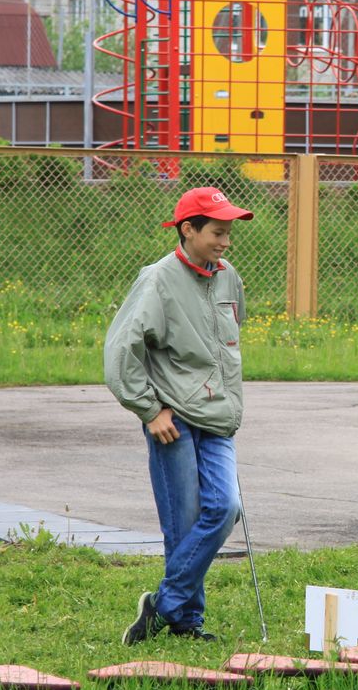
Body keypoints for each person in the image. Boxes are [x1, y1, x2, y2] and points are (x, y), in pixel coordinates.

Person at [106, 186, 254, 644]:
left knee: (225, 508)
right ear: (187, 230)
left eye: (228, 233)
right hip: (173, 421)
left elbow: (228, 340)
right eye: (216, 232)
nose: (225, 242)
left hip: (219, 418)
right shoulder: (157, 280)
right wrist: (150, 410)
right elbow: (120, 351)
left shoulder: (229, 277)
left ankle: (164, 604)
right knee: (185, 521)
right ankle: (188, 623)